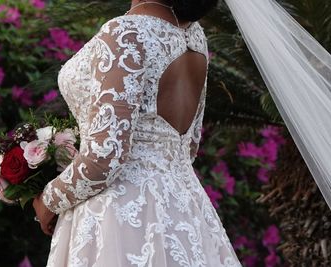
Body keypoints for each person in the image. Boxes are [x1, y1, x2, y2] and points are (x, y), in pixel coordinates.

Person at [32, 0, 242, 265]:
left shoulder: (126, 33)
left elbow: (104, 157)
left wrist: (48, 200)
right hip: (184, 209)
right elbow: (188, 145)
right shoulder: (194, 36)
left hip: (120, 217)